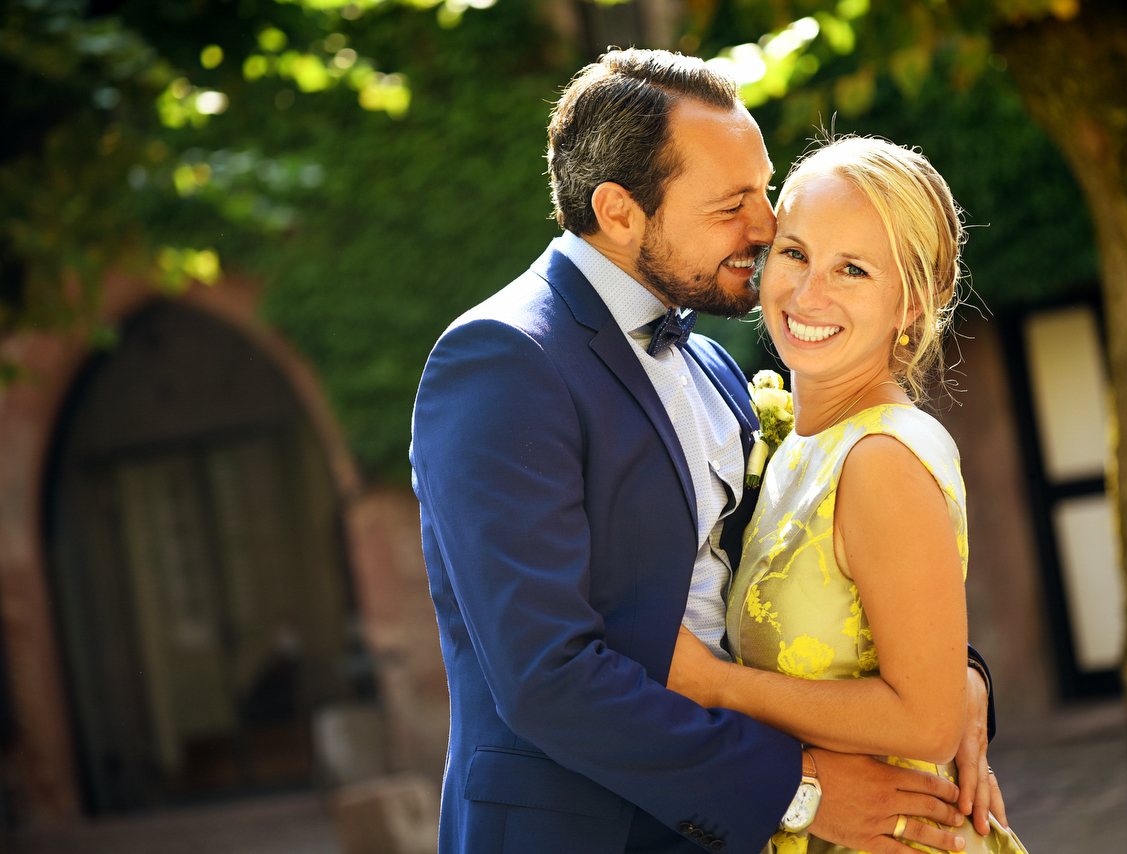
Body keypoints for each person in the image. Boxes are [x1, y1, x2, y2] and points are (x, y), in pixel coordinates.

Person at [410, 49, 998, 854]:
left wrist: (955, 682)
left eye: (764, 193)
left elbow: (817, 567)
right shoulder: (502, 360)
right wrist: (799, 791)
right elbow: (547, 677)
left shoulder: (717, 368)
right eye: (733, 206)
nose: (766, 228)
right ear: (619, 211)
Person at [666, 136, 1027, 852]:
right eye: (795, 253)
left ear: (915, 306)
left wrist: (712, 684)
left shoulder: (881, 460)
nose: (808, 294)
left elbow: (925, 721)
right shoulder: (793, 444)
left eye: (852, 270)